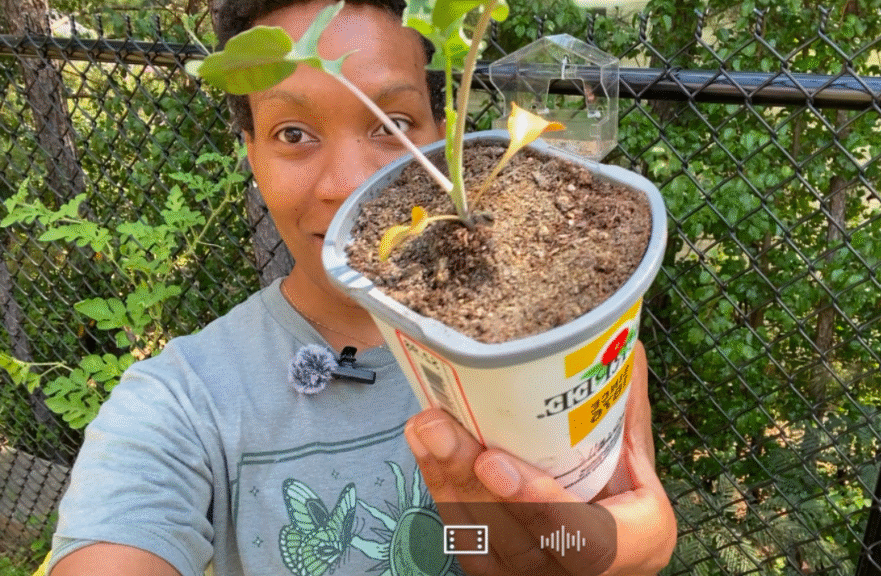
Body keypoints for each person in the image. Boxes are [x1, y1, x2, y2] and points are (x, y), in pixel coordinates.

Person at [46, 1, 677, 574]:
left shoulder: (567, 334)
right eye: (293, 134)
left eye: (390, 124)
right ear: (251, 153)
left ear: (444, 132)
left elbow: (634, 523)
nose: (346, 185)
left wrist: (575, 550)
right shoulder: (183, 402)